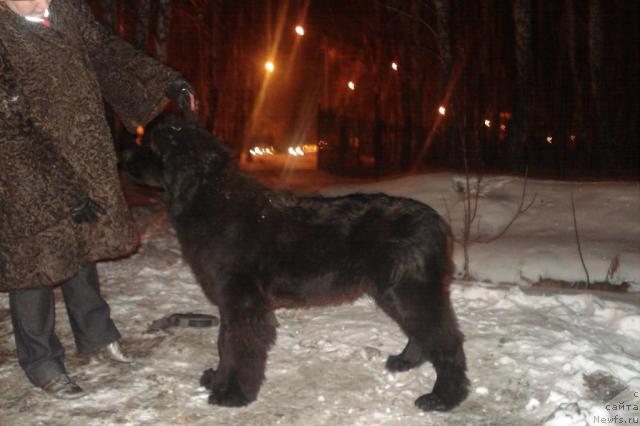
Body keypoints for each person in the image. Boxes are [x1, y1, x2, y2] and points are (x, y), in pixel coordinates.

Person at [0, 0, 196, 399]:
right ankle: (41, 362)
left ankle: (96, 335)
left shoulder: (65, 12)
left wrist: (163, 82)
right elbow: (10, 132)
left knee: (83, 246)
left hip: (80, 153)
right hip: (24, 167)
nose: (44, 0)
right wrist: (61, 189)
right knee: (35, 263)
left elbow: (106, 52)